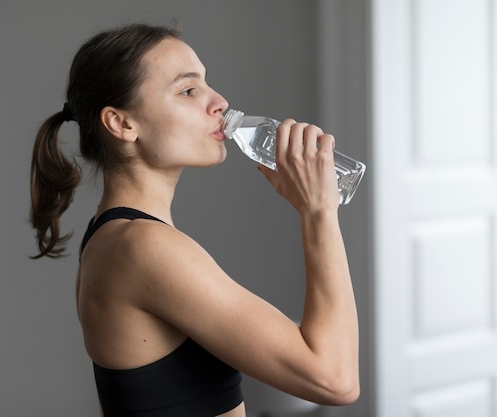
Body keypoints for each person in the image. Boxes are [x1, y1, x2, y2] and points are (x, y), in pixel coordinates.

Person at [30, 23, 359, 417]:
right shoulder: (144, 247)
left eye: (206, 83)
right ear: (122, 124)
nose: (219, 101)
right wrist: (318, 212)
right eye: (189, 90)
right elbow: (335, 379)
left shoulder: (114, 237)